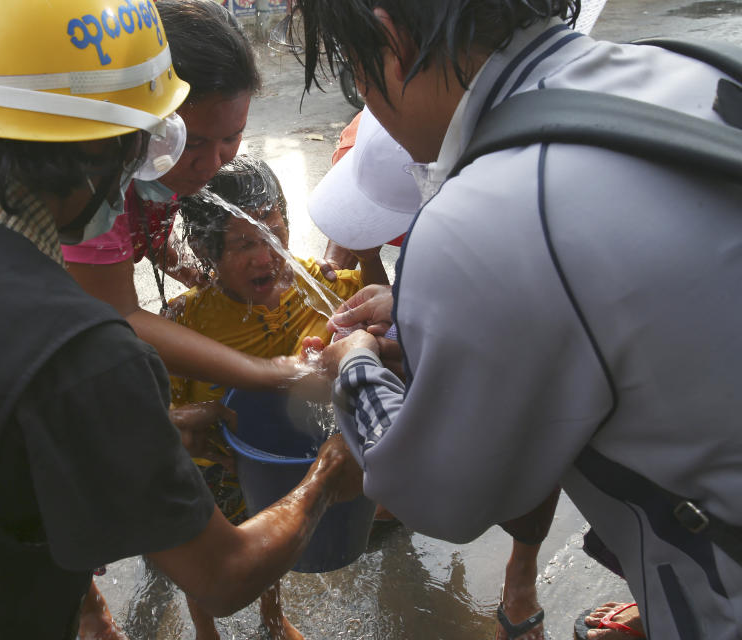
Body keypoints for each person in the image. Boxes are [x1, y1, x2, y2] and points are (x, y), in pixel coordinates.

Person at [0, 1, 363, 638]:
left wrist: (149, 426)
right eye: (156, 139)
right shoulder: (78, 350)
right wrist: (330, 470)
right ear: (99, 142)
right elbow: (223, 577)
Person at [291, 0, 742, 638]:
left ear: (387, 40)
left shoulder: (482, 214)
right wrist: (417, 311)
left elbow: (438, 495)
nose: (362, 96)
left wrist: (356, 365)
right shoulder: (682, 67)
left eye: (351, 74)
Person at [310, 105, 560, 640]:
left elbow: (446, 501)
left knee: (531, 438)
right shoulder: (373, 142)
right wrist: (399, 313)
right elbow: (357, 249)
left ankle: (521, 576)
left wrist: (358, 360)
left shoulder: (531, 233)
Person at [164, 154, 382, 640]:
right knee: (205, 553)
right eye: (243, 244)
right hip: (214, 468)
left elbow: (377, 312)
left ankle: (271, 617)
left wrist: (368, 260)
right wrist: (212, 415)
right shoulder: (185, 324)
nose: (266, 255)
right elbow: (161, 418)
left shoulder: (319, 286)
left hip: (275, 460)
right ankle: (205, 630)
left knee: (268, 543)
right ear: (204, 251)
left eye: (274, 233)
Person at [62, 0, 318, 396]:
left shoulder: (167, 167)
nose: (213, 163)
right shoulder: (94, 184)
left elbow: (147, 235)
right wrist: (271, 373)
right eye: (194, 142)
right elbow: (118, 315)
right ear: (139, 119)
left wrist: (202, 281)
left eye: (232, 137)